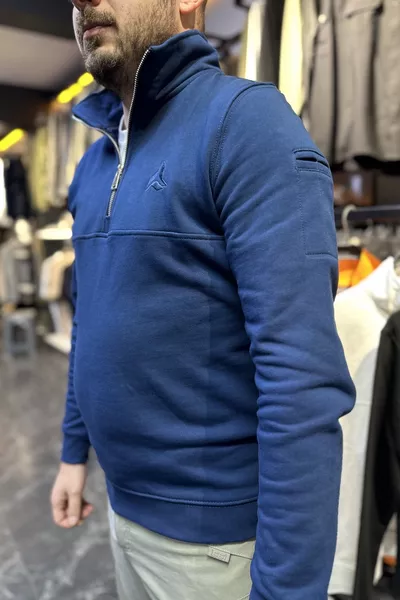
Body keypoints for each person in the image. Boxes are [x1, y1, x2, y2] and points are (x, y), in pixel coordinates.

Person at [50, 1, 356, 599]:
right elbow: (91, 323)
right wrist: (72, 450)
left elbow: (301, 383)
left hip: (215, 549)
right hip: (123, 512)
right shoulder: (92, 162)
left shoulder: (246, 124)